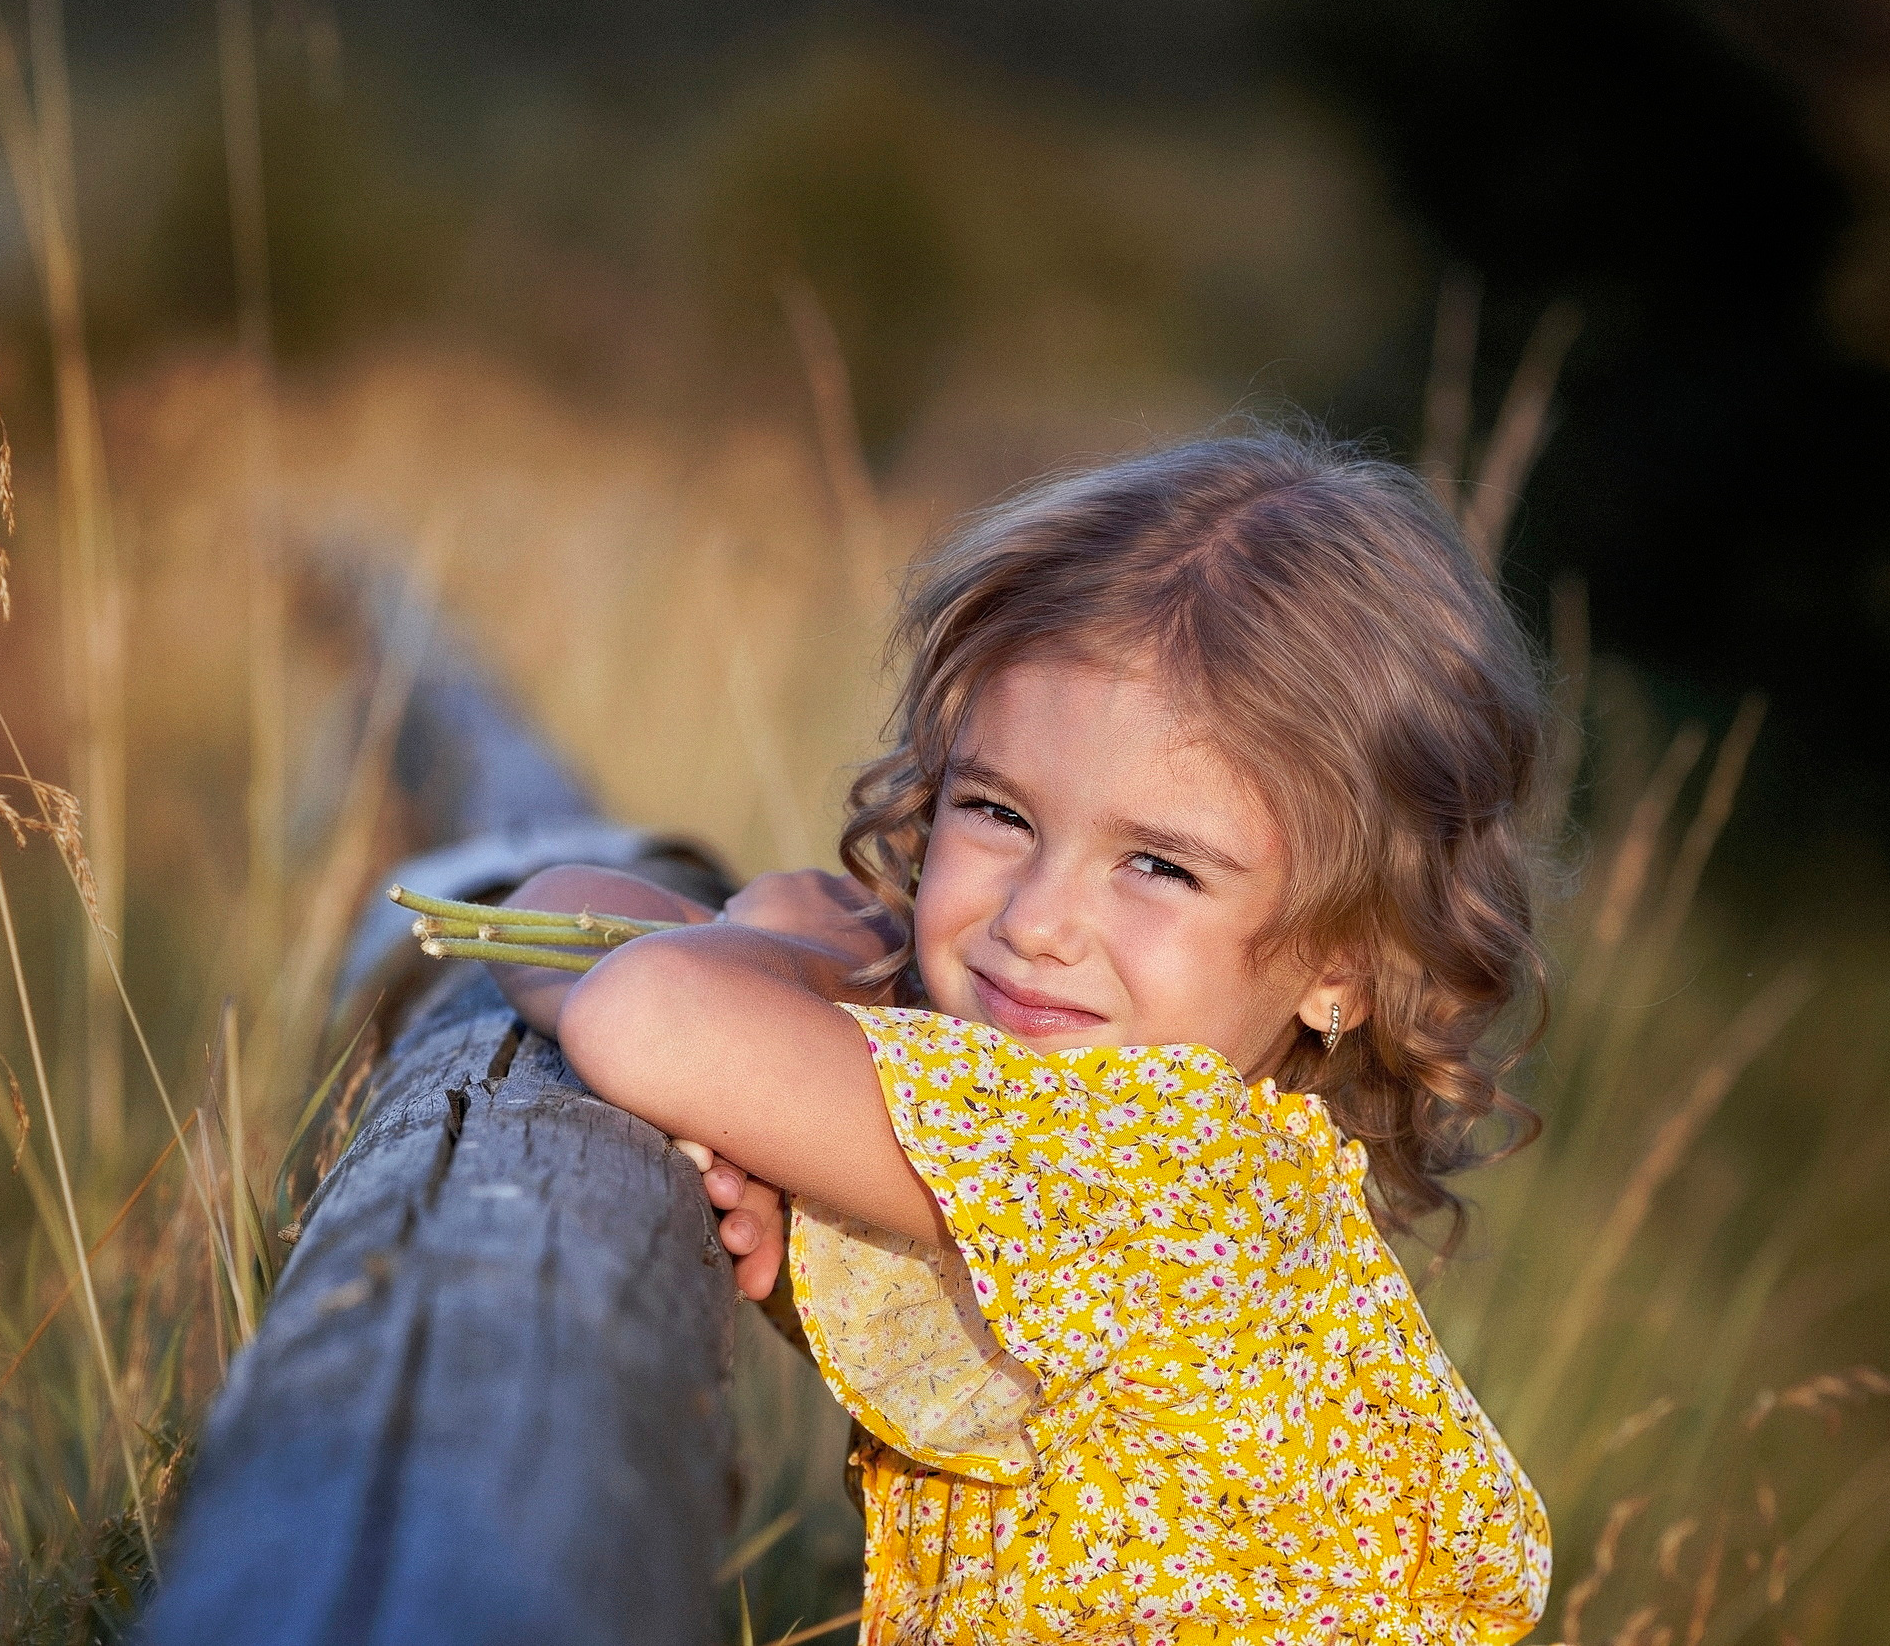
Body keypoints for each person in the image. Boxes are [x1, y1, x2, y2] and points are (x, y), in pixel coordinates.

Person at [480, 428, 1554, 1644]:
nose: (1037, 922)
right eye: (996, 811)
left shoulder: (1171, 1169)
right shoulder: (1004, 1123)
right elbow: (548, 920)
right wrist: (758, 977)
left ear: (1341, 967)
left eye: (1158, 865)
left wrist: (802, 962)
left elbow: (637, 1008)